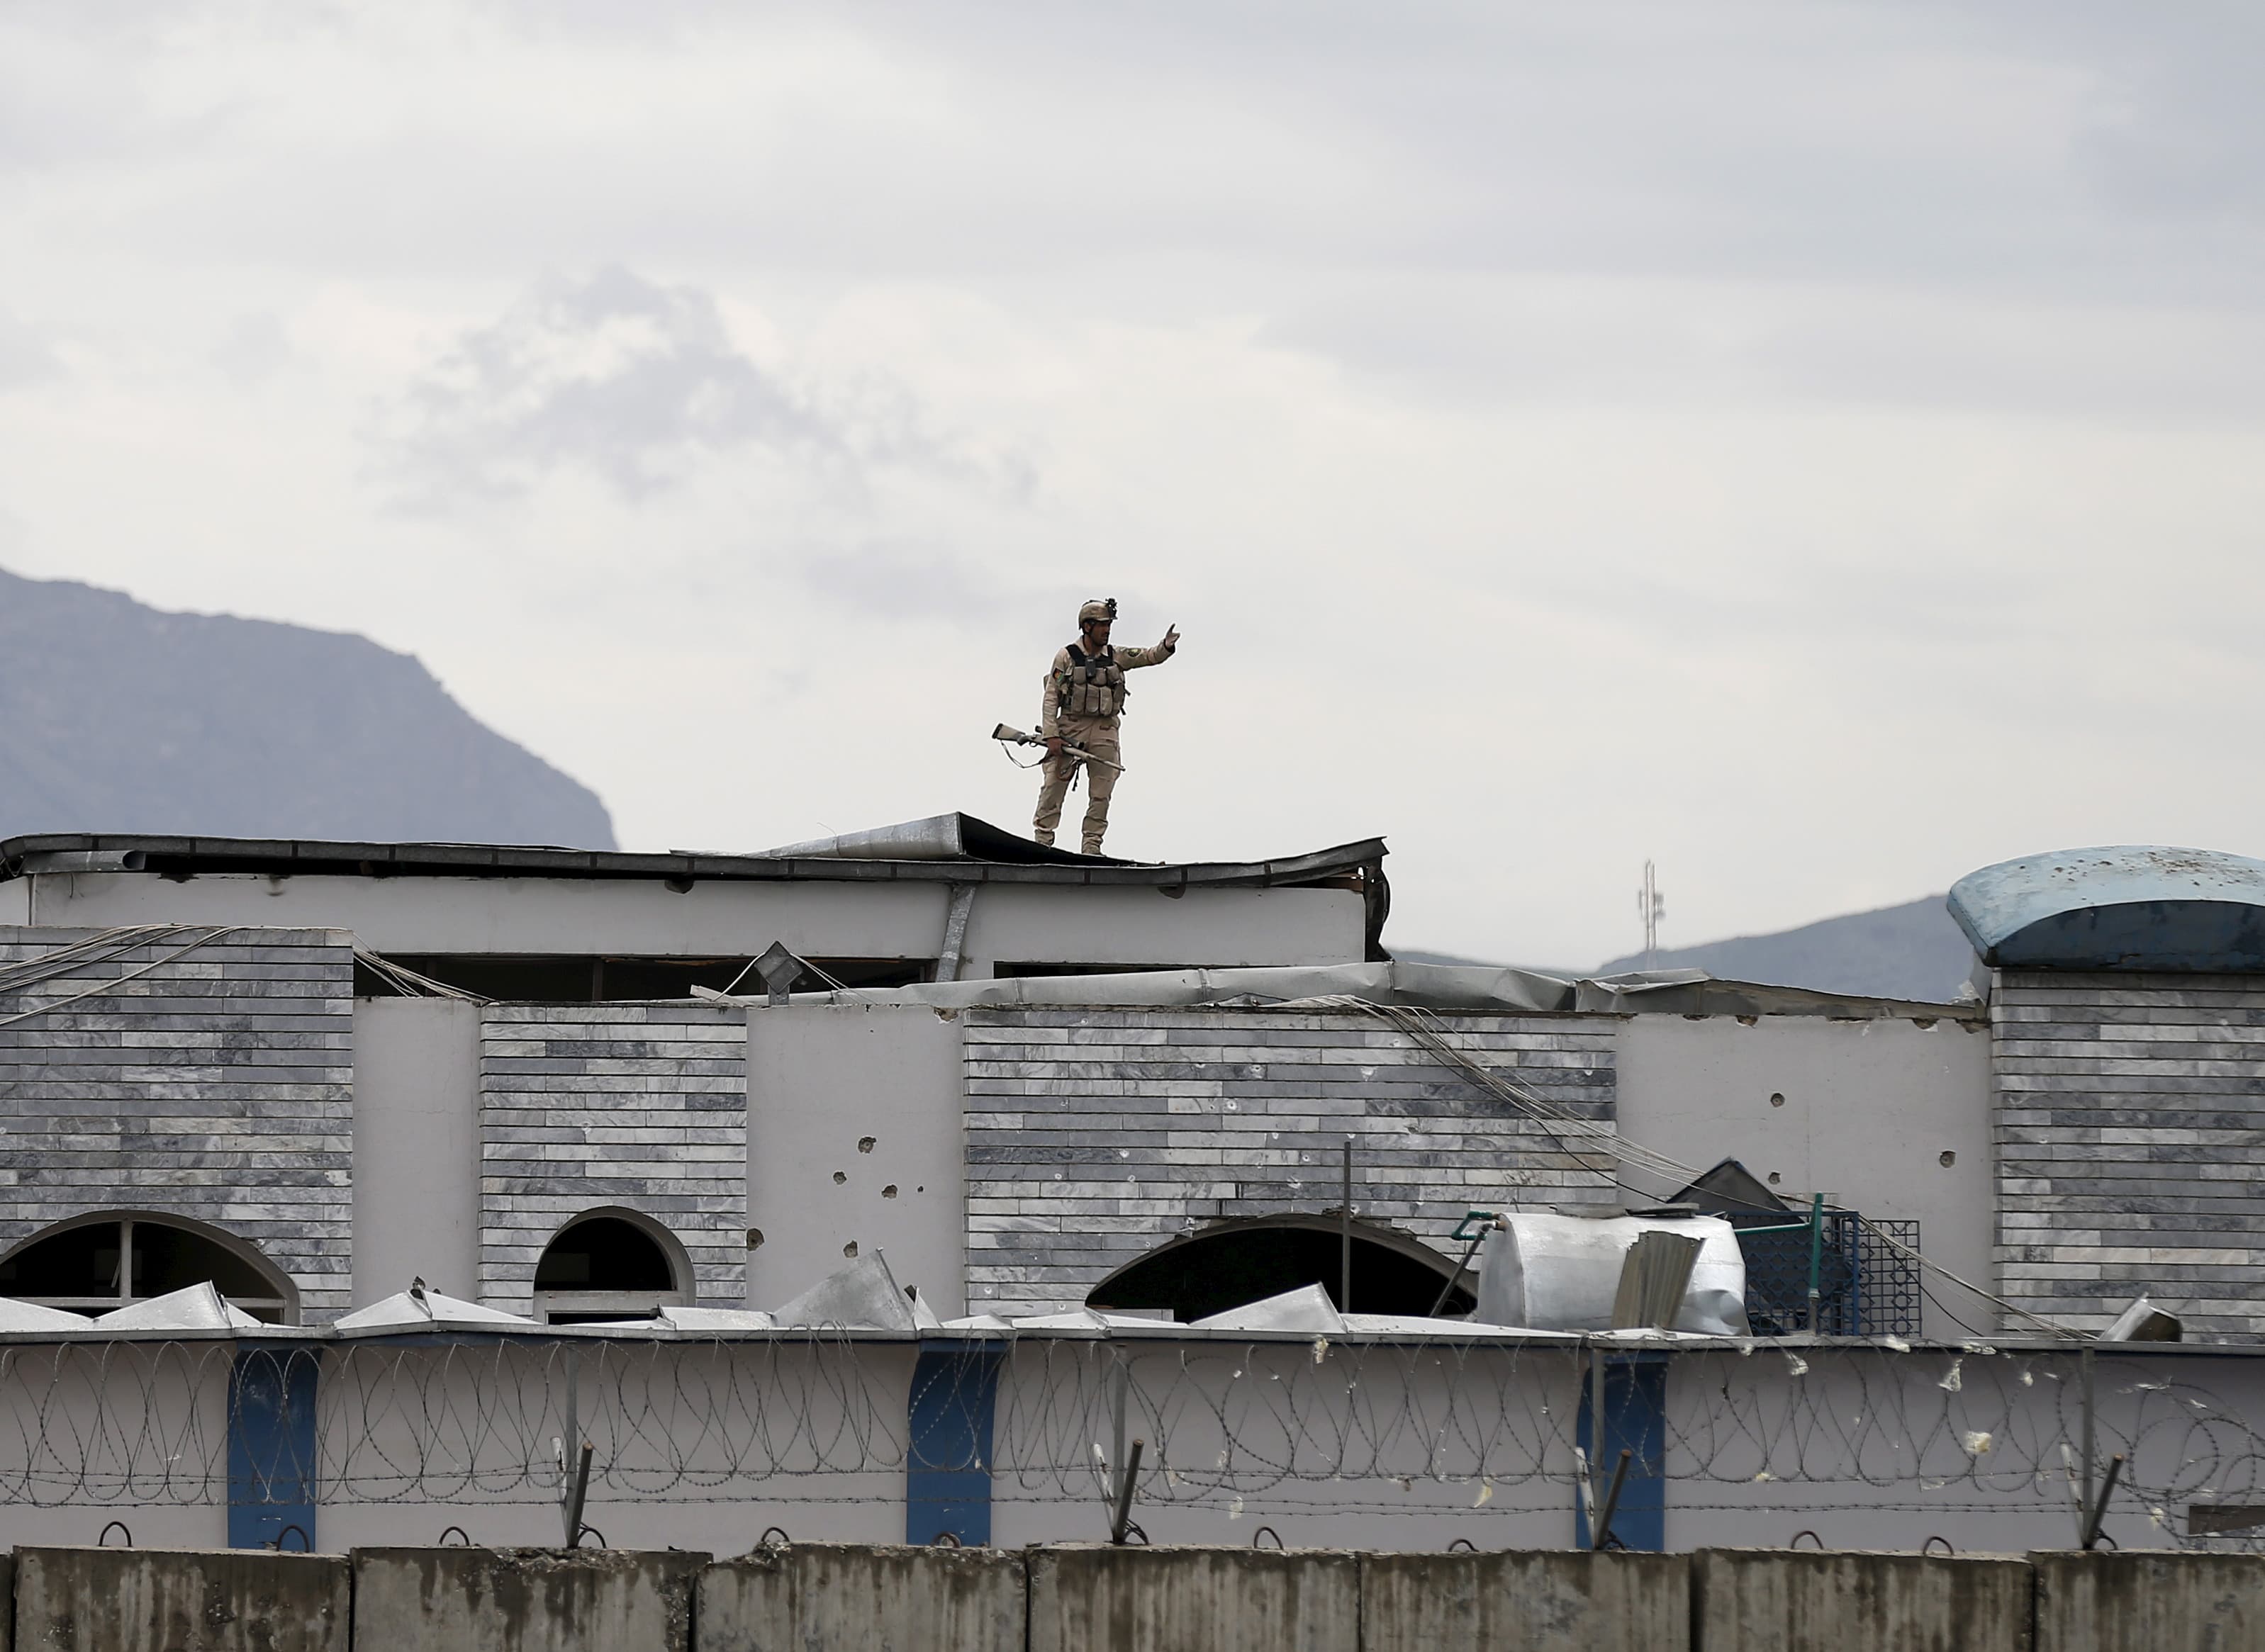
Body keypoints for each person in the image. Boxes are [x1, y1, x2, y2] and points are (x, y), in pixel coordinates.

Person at [1033, 597, 1180, 855]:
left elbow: (1147, 656)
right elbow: (1051, 696)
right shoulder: (1066, 656)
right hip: (1071, 728)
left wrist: (1165, 647)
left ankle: (1091, 846)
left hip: (1105, 731)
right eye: (1102, 625)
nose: (1107, 630)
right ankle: (1042, 842)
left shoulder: (1115, 655)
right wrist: (1051, 734)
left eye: (1109, 625)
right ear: (1087, 626)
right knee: (1054, 786)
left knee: (1101, 792)